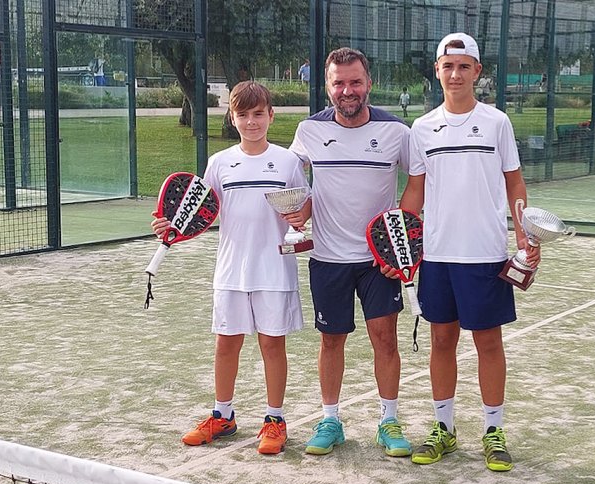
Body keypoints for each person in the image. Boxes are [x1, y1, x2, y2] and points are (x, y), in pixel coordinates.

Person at [396, 32, 539, 473]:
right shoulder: (422, 128)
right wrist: (397, 238)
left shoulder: (496, 122)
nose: (454, 74)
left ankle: (493, 432)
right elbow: (416, 191)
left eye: (463, 66)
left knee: (488, 342)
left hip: (486, 253)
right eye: (447, 66)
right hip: (438, 256)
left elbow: (514, 182)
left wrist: (524, 236)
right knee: (441, 340)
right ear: (436, 71)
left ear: (478, 71)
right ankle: (444, 429)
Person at [151, 81, 307, 455]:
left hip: (274, 270)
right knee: (226, 344)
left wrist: (302, 217)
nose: (251, 122)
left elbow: (303, 208)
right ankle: (223, 415)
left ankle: (274, 419)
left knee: (272, 344)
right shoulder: (220, 163)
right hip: (231, 271)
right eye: (243, 115)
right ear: (232, 118)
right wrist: (170, 224)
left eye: (258, 114)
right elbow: (198, 211)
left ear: (271, 115)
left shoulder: (288, 162)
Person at [286, 47, 413, 458]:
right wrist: (295, 214)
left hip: (379, 263)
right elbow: (290, 181)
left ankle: (388, 420)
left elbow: (421, 176)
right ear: (327, 87)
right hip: (328, 258)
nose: (347, 90)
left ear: (368, 83)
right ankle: (330, 420)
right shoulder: (308, 131)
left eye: (355, 82)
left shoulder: (396, 131)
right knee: (331, 341)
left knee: (385, 339)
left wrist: (401, 234)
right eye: (339, 83)